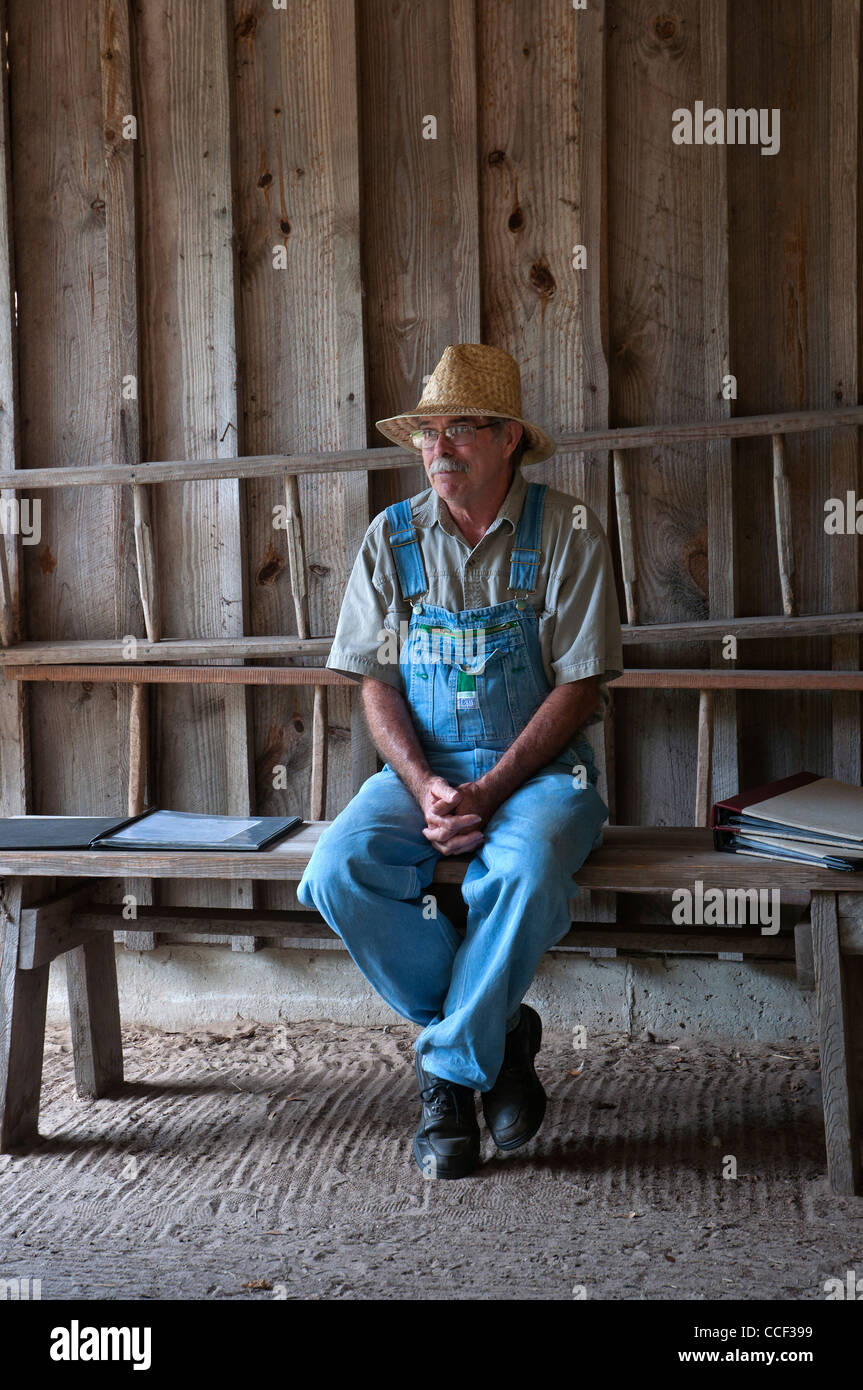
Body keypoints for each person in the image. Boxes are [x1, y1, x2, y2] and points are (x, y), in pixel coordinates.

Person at [298, 342, 622, 1179]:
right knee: (337, 872)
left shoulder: (567, 531)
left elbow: (579, 687)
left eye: (460, 430)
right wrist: (427, 785)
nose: (438, 449)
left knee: (527, 870)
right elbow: (373, 684)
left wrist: (487, 789)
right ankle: (500, 1034)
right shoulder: (391, 539)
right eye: (426, 433)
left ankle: (444, 1075)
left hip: (543, 775)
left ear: (509, 437)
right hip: (423, 775)